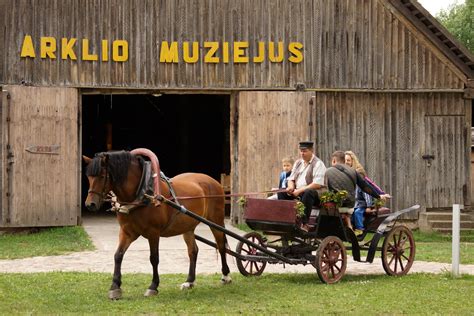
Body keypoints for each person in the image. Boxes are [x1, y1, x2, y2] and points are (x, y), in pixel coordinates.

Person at [325, 151, 384, 230]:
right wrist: (377, 196)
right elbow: (365, 187)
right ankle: (350, 226)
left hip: (334, 205)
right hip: (350, 204)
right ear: (343, 161)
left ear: (334, 160)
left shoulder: (327, 171)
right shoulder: (353, 172)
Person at [278, 141, 326, 231]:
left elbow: (317, 184)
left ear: (312, 150)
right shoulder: (298, 163)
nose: (302, 153)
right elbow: (291, 179)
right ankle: (286, 220)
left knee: (308, 192)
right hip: (299, 192)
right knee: (282, 192)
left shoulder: (318, 164)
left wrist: (299, 191)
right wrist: (291, 186)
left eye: (305, 151)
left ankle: (304, 223)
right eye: (301, 151)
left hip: (316, 194)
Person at [345, 151, 391, 235]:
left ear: (353, 161)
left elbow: (369, 186)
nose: (346, 162)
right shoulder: (344, 173)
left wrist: (380, 194)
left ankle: (360, 229)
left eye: (348, 160)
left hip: (361, 203)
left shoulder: (358, 173)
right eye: (345, 160)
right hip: (353, 202)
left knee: (358, 212)